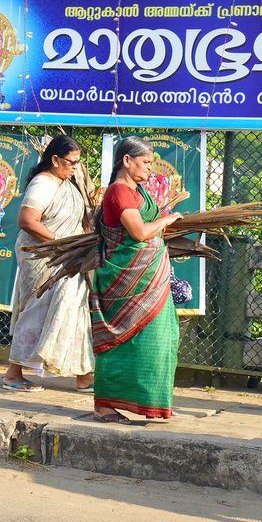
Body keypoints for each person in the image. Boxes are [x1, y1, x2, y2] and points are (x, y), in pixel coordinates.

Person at [89, 137, 182, 423]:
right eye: (145, 162)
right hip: (126, 278)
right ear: (126, 160)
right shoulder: (119, 192)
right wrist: (167, 221)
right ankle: (105, 405)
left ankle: (152, 402)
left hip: (151, 279)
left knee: (163, 339)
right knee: (124, 342)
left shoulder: (138, 191)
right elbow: (140, 233)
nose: (150, 169)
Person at [3, 135, 94, 393]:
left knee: (74, 308)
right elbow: (27, 221)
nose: (76, 167)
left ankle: (84, 376)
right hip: (43, 257)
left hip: (66, 258)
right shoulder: (42, 184)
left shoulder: (68, 184)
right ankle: (13, 374)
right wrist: (60, 243)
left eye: (78, 162)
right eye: (72, 162)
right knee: (36, 311)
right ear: (55, 160)